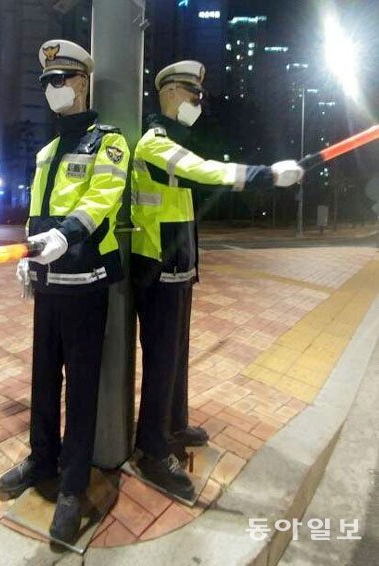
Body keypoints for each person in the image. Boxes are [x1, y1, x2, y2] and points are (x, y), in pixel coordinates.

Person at [131, 60, 304, 499]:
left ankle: (174, 424)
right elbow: (206, 172)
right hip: (157, 270)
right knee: (161, 361)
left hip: (178, 267)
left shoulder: (174, 142)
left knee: (176, 356)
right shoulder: (154, 146)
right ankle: (152, 448)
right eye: (193, 94)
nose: (198, 102)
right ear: (170, 93)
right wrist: (267, 175)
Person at [0, 39, 129, 543]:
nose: (53, 88)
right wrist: (27, 255)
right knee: (43, 379)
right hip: (48, 285)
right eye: (46, 82)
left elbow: (103, 199)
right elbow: (35, 212)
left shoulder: (109, 143)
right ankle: (41, 458)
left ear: (82, 82)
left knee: (82, 387)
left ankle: (73, 485)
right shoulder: (47, 152)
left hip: (86, 283)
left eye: (61, 79)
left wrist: (65, 235)